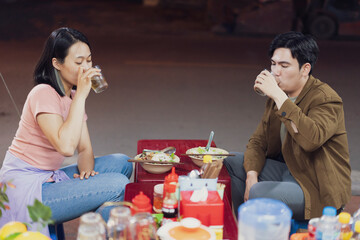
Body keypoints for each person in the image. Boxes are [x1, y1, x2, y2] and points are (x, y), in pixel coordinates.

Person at [0, 27, 133, 236]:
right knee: (118, 185)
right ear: (57, 63)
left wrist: (88, 177)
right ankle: (98, 230)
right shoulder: (43, 93)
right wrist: (80, 96)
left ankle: (96, 229)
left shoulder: (72, 96)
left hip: (49, 178)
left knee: (122, 163)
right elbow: (66, 147)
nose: (86, 67)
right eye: (79, 62)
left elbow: (85, 149)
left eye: (89, 60)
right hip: (26, 189)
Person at [224, 31, 351, 220]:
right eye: (274, 64)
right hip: (290, 170)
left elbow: (312, 139)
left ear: (305, 69)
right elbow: (258, 142)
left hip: (316, 185)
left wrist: (278, 97)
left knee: (259, 193)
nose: (276, 71)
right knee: (231, 162)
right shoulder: (279, 96)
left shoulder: (326, 98)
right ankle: (245, 230)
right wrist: (251, 175)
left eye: (284, 65)